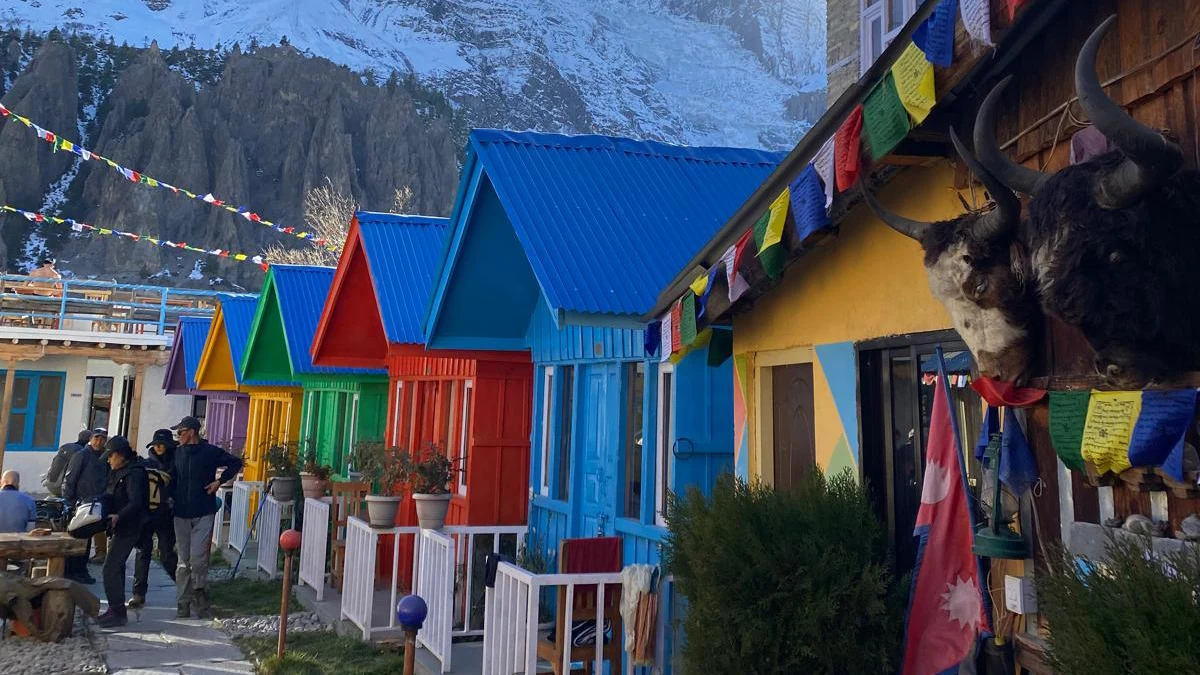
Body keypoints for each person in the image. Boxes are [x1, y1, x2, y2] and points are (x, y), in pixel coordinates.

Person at [170, 416, 241, 619]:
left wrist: (219, 481)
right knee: (183, 561)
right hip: (180, 513)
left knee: (198, 558)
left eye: (181, 432)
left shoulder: (209, 452)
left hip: (203, 511)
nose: (178, 436)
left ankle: (199, 591)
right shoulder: (176, 453)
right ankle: (183, 602)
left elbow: (235, 463)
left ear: (192, 432)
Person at [96, 436, 148, 628]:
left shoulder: (134, 473)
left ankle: (117, 612)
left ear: (120, 455)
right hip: (122, 526)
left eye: (110, 456)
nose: (109, 460)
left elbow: (136, 502)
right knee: (116, 568)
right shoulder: (118, 472)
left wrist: (119, 515)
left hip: (131, 526)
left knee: (110, 568)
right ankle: (116, 610)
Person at [129, 429, 178, 610]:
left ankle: (185, 588)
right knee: (143, 553)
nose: (158, 447)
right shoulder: (145, 465)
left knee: (166, 555)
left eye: (162, 444)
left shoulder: (177, 464)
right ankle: (138, 593)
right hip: (146, 515)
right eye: (156, 444)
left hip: (166, 515)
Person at [62, 429, 109, 584]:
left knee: (87, 540)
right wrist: (69, 502)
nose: (99, 441)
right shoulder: (81, 455)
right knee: (76, 538)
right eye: (97, 437)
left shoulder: (105, 457)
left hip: (95, 505)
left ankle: (81, 570)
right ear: (91, 438)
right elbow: (69, 479)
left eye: (102, 438)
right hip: (79, 505)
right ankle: (72, 571)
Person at [44, 429, 91, 497]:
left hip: (50, 485)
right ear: (90, 439)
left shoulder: (65, 448)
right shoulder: (81, 452)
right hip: (64, 488)